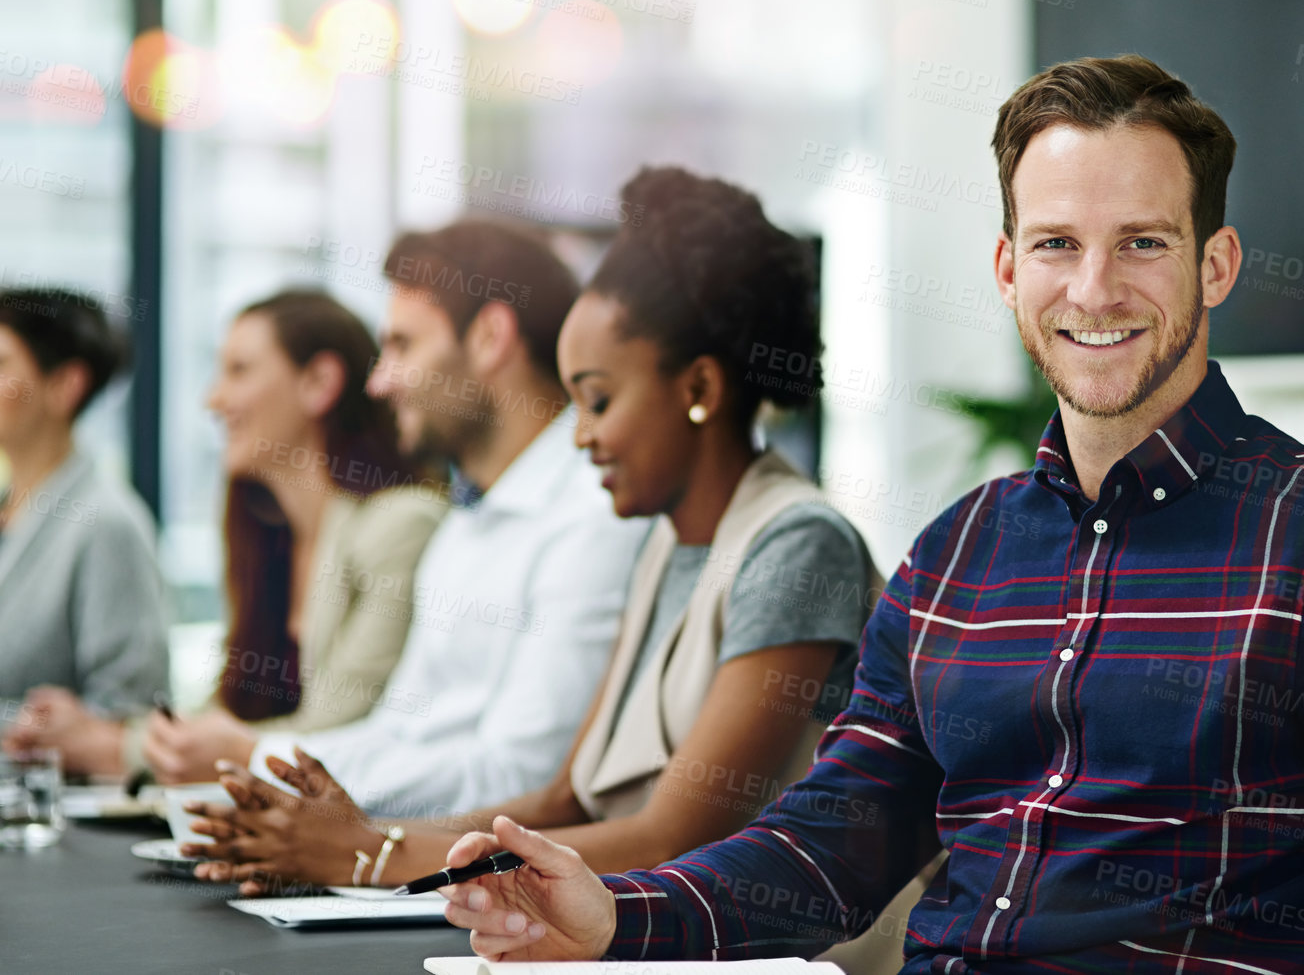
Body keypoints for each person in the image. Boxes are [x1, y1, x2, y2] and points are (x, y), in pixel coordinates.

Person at [434, 57, 1304, 973]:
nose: (1094, 289)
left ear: (1215, 265)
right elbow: (835, 846)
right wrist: (616, 917)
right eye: (1056, 245)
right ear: (1007, 266)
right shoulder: (957, 557)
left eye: (1144, 244)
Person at [184, 168, 881, 908]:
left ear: (700, 391)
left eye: (600, 400)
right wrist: (351, 835)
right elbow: (563, 800)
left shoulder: (795, 542)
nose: (579, 436)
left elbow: (670, 838)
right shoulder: (659, 547)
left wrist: (375, 853)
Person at [226, 219, 647, 817]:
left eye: (402, 346)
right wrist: (260, 766)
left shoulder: (593, 512)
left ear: (490, 337)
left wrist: (261, 763)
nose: (379, 382)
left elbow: (525, 775)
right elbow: (398, 732)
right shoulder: (464, 521)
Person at [15, 290, 448, 780]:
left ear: (319, 382)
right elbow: (220, 715)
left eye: (238, 371)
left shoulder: (400, 525)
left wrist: (117, 746)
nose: (213, 399)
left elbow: (329, 735)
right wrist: (95, 732)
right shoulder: (269, 539)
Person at [0, 288, 167, 765]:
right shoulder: (11, 510)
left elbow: (127, 716)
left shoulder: (106, 524)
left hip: (55, 823)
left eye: (1, 363)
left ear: (65, 385)